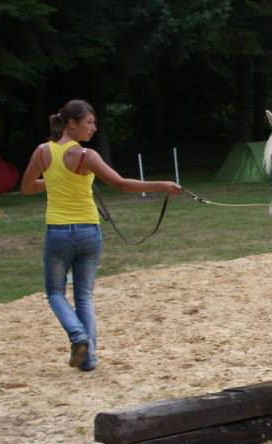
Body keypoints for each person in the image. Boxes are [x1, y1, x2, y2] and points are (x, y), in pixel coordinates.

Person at [21, 99, 182, 371]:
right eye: (89, 122)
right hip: (88, 232)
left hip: (58, 232)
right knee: (83, 296)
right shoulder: (87, 156)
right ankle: (87, 357)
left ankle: (77, 336)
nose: (93, 128)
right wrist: (162, 185)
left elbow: (26, 188)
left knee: (55, 293)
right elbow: (121, 184)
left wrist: (55, 179)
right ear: (72, 124)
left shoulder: (42, 152)